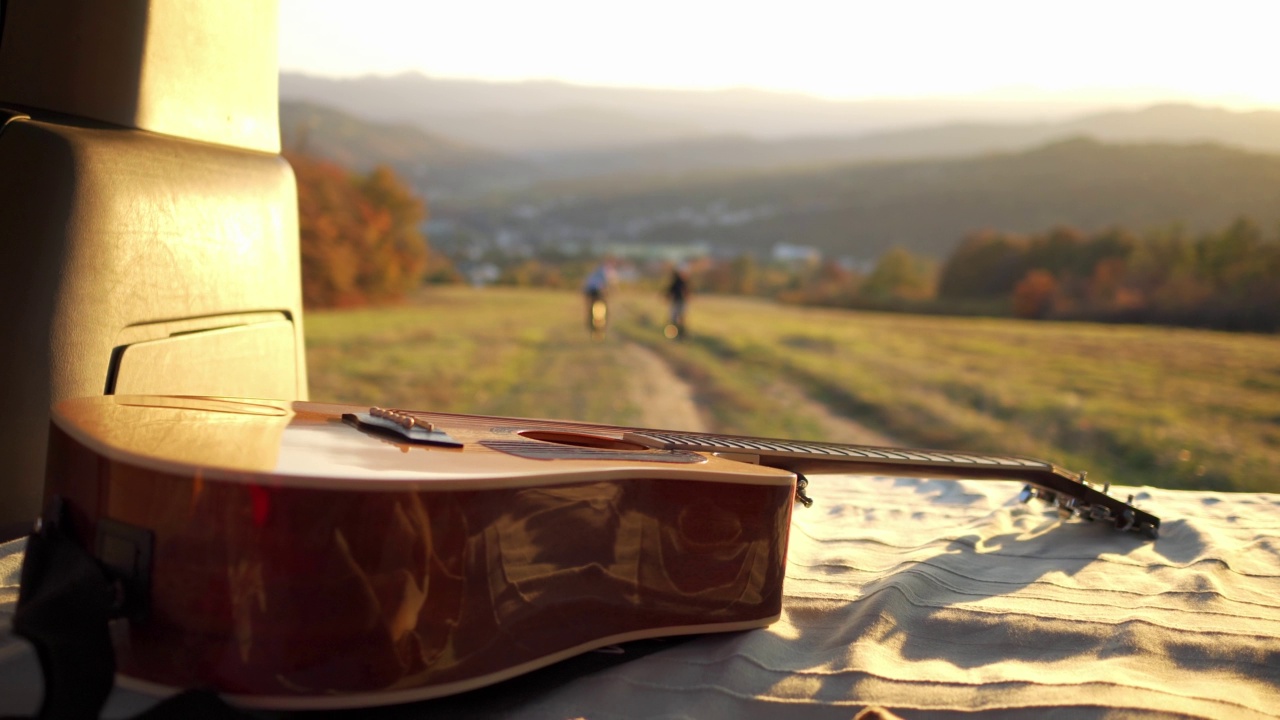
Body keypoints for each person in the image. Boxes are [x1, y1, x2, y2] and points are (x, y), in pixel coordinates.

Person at [582, 259, 616, 336]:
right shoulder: (606, 272)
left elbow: (586, 285)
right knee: (604, 309)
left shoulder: (593, 272)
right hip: (596, 293)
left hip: (591, 293)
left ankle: (592, 326)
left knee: (591, 309)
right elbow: (610, 285)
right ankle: (601, 327)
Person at [664, 266, 689, 339]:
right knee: (673, 318)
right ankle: (673, 334)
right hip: (675, 302)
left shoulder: (685, 282)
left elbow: (688, 293)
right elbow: (670, 290)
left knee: (681, 319)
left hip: (682, 302)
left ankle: (682, 334)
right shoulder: (676, 282)